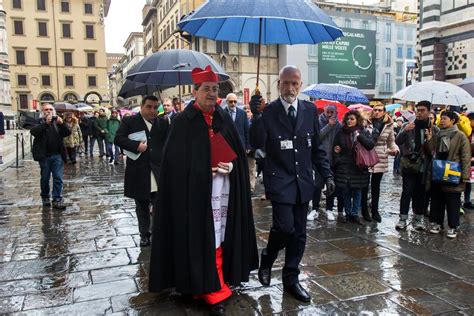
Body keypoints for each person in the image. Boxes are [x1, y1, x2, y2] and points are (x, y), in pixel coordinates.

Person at [149, 66, 258, 316]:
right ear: (195, 91)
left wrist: (232, 165)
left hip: (223, 191)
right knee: (201, 237)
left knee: (219, 235)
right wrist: (199, 172)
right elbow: (173, 166)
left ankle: (217, 281)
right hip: (194, 196)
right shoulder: (181, 122)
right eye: (206, 89)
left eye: (214, 89)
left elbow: (239, 155)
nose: (211, 93)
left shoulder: (223, 118)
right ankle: (206, 286)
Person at [249, 65, 334, 302]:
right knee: (284, 228)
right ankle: (268, 256)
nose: (290, 88)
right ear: (278, 85)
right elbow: (256, 143)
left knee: (299, 235)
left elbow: (317, 148)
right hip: (279, 181)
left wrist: (327, 175)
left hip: (303, 182)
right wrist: (256, 116)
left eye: (294, 83)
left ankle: (291, 279)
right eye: (285, 83)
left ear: (301, 85)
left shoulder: (308, 110)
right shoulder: (269, 111)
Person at [114, 96, 169, 247]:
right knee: (142, 205)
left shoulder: (163, 122)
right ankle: (144, 234)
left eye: (155, 107)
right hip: (139, 171)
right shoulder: (129, 121)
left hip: (158, 171)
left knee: (160, 204)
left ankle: (158, 232)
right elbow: (118, 139)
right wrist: (135, 145)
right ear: (142, 106)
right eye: (149, 107)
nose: (153, 110)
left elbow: (169, 142)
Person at [426, 110, 471, 238]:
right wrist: (429, 139)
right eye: (441, 118)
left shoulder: (460, 136)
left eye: (445, 118)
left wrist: (464, 175)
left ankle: (453, 226)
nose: (442, 121)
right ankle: (437, 223)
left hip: (453, 172)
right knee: (437, 199)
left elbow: (465, 156)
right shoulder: (438, 134)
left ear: (452, 121)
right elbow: (431, 151)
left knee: (452, 202)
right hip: (438, 172)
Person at [395, 100, 434, 230]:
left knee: (420, 193)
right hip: (409, 164)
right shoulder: (408, 125)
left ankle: (418, 219)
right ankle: (403, 218)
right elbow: (398, 141)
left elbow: (433, 151)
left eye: (423, 110)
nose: (419, 113)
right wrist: (405, 130)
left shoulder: (433, 129)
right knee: (407, 192)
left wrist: (429, 139)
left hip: (424, 166)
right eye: (418, 110)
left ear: (429, 112)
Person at [333, 110, 376, 224]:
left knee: (358, 191)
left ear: (357, 120)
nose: (349, 121)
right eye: (347, 119)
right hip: (345, 165)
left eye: (352, 119)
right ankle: (348, 213)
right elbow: (336, 147)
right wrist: (338, 158)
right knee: (346, 190)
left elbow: (370, 145)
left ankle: (355, 214)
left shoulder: (363, 131)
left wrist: (359, 136)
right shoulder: (341, 132)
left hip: (359, 166)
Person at [361, 103, 399, 222]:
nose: (377, 112)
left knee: (376, 186)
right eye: (375, 110)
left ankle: (375, 210)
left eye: (380, 110)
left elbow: (391, 141)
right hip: (366, 154)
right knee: (364, 185)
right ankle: (364, 211)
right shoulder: (366, 122)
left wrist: (395, 149)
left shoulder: (389, 124)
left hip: (380, 156)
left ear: (384, 112)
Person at [30, 103, 71, 209]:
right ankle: (45, 197)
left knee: (58, 177)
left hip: (57, 155)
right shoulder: (38, 121)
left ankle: (57, 199)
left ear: (54, 110)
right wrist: (46, 124)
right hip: (44, 156)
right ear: (42, 111)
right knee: (45, 178)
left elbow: (67, 132)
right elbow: (34, 132)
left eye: (50, 109)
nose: (48, 111)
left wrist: (62, 124)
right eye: (46, 109)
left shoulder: (58, 121)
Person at [307, 104, 342, 221]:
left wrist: (339, 148)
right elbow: (317, 137)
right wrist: (329, 125)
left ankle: (329, 209)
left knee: (331, 186)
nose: (329, 114)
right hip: (320, 161)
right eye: (328, 112)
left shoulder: (339, 124)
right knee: (317, 185)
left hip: (334, 160)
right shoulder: (318, 121)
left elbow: (341, 140)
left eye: (332, 112)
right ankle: (315, 209)